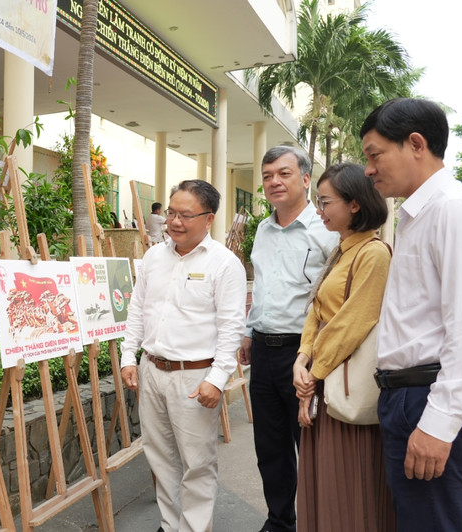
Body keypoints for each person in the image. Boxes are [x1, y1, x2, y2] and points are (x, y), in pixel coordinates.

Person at [360, 98, 462, 531]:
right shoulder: (418, 213)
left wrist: (440, 423)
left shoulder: (454, 209)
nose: (369, 169)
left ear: (416, 144)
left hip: (429, 395)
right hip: (408, 394)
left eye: (375, 154)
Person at [120, 179, 246, 532]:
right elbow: (138, 309)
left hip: (195, 377)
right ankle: (169, 524)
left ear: (209, 219)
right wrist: (129, 356)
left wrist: (217, 380)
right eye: (172, 212)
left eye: (186, 215)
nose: (175, 221)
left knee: (197, 463)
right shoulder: (153, 257)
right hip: (152, 370)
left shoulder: (224, 264)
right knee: (160, 458)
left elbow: (230, 327)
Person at [291, 162, 395, 531]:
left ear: (354, 203)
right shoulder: (341, 250)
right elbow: (316, 311)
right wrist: (302, 361)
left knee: (350, 488)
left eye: (325, 202)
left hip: (345, 387)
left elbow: (353, 323)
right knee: (325, 485)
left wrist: (311, 375)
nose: (319, 210)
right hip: (323, 380)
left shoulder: (373, 253)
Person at [242, 145, 337, 532]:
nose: (274, 182)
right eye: (267, 176)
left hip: (305, 353)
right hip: (263, 351)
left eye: (283, 173)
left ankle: (320, 522)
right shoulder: (263, 230)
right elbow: (261, 286)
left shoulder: (326, 230)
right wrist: (249, 332)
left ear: (304, 179)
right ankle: (280, 521)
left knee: (312, 446)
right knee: (271, 447)